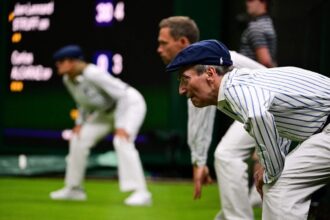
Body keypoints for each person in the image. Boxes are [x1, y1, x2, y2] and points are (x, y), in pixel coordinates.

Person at [166, 39, 330, 220]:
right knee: (277, 183)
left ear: (210, 74)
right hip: (323, 130)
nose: (181, 89)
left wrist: (270, 172)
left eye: (185, 79)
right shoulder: (238, 82)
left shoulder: (234, 89)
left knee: (279, 186)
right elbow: (278, 123)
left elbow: (259, 116)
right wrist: (270, 169)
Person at [157, 16, 264, 220]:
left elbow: (200, 116)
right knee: (227, 155)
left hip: (274, 109)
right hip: (262, 110)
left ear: (182, 42)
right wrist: (199, 161)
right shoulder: (198, 61)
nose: (159, 49)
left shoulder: (202, 63)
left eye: (163, 43)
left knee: (226, 155)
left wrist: (199, 162)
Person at [49, 45, 152, 206]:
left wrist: (121, 126)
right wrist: (79, 123)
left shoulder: (93, 73)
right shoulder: (67, 79)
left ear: (73, 62)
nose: (58, 64)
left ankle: (141, 193)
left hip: (129, 104)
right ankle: (74, 189)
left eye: (61, 61)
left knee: (122, 141)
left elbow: (122, 95)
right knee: (78, 138)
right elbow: (82, 102)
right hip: (105, 112)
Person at [240, 0, 276, 67]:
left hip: (251, 75)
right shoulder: (268, 22)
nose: (247, 3)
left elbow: (265, 61)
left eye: (251, 0)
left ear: (263, 1)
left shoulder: (256, 27)